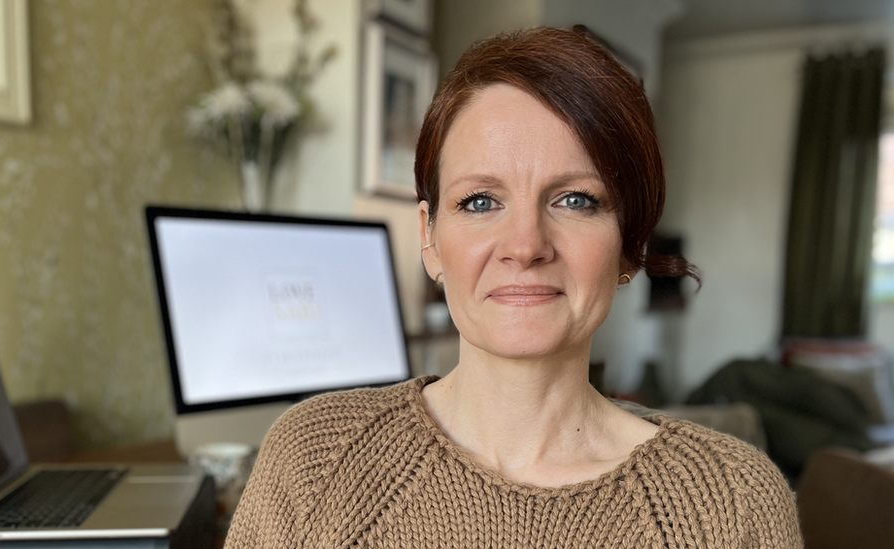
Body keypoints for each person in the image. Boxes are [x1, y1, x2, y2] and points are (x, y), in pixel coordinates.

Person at [224, 26, 802, 548]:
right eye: (480, 202)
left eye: (576, 200)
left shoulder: (735, 504)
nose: (525, 245)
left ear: (629, 243)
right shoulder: (312, 461)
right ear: (429, 237)